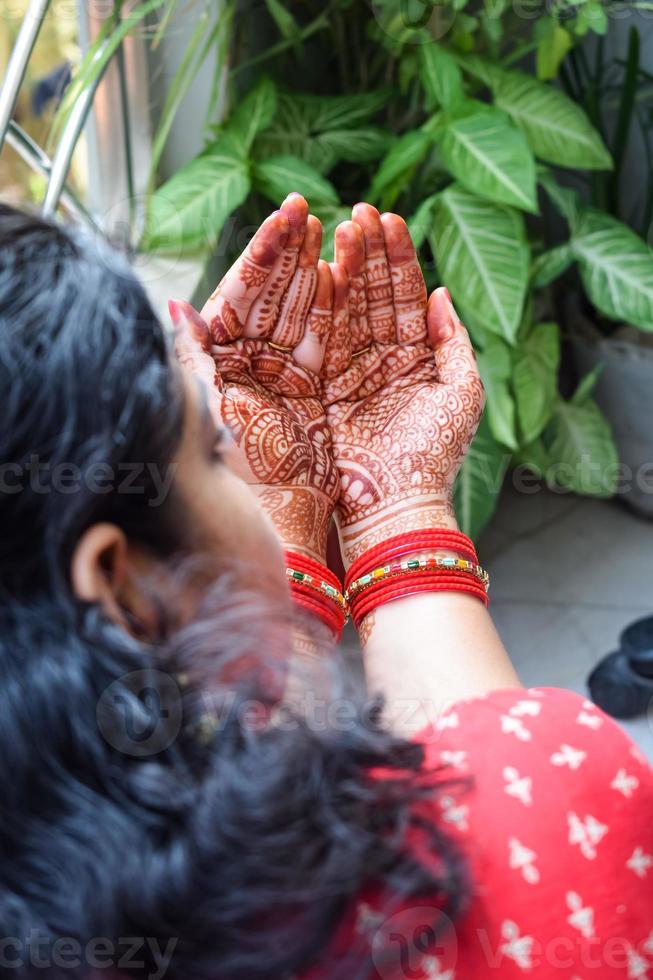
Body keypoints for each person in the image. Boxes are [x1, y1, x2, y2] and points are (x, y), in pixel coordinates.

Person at [0, 194, 650, 980]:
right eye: (212, 449)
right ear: (121, 584)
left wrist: (267, 549)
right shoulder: (545, 812)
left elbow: (267, 803)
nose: (237, 460)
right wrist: (399, 504)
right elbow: (507, 798)